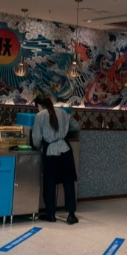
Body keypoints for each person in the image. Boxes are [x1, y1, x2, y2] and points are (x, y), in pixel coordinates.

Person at [32, 95, 80, 225]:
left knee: (49, 183)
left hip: (50, 152)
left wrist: (38, 147)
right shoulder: (63, 112)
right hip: (65, 150)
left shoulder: (40, 116)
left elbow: (36, 138)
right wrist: (63, 132)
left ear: (39, 105)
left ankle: (51, 214)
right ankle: (71, 215)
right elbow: (76, 126)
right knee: (68, 182)